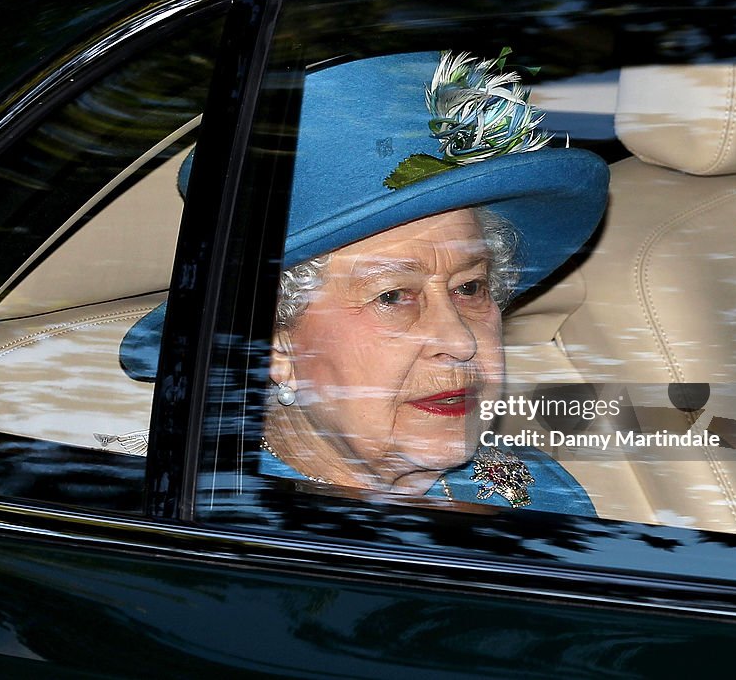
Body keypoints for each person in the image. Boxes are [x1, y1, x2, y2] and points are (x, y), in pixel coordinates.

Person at [121, 50, 609, 513]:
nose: (460, 341)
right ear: (272, 347)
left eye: (470, 288)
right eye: (393, 296)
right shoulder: (193, 525)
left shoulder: (536, 492)